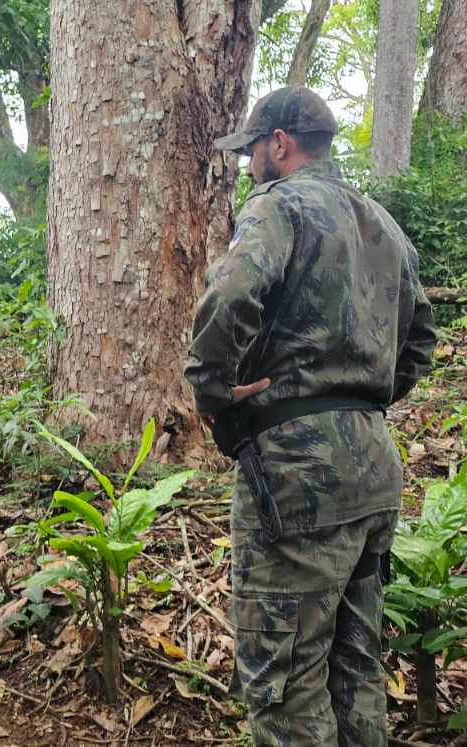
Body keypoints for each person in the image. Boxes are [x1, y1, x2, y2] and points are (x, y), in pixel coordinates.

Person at [184, 86, 437, 746]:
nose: (247, 166)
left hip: (296, 471)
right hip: (373, 461)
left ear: (279, 144)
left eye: (251, 153)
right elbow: (419, 340)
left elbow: (229, 294)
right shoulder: (380, 220)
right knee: (354, 664)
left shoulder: (279, 206)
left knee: (284, 681)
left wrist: (211, 392)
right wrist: (355, 400)